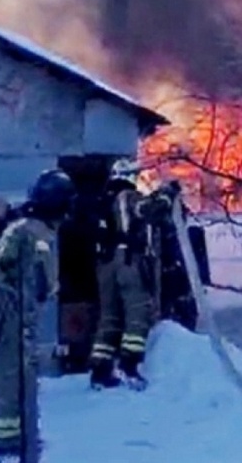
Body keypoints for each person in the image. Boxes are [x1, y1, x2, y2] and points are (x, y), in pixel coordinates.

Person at [0, 169, 73, 456]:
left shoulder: (18, 223)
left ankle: (13, 437)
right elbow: (45, 284)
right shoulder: (37, 232)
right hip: (9, 312)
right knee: (13, 375)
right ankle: (10, 442)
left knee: (9, 373)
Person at [89, 159, 157, 390]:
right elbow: (147, 210)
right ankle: (130, 366)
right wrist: (165, 196)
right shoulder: (128, 196)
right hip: (128, 260)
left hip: (104, 264)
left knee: (109, 316)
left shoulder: (101, 200)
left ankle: (100, 369)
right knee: (137, 313)